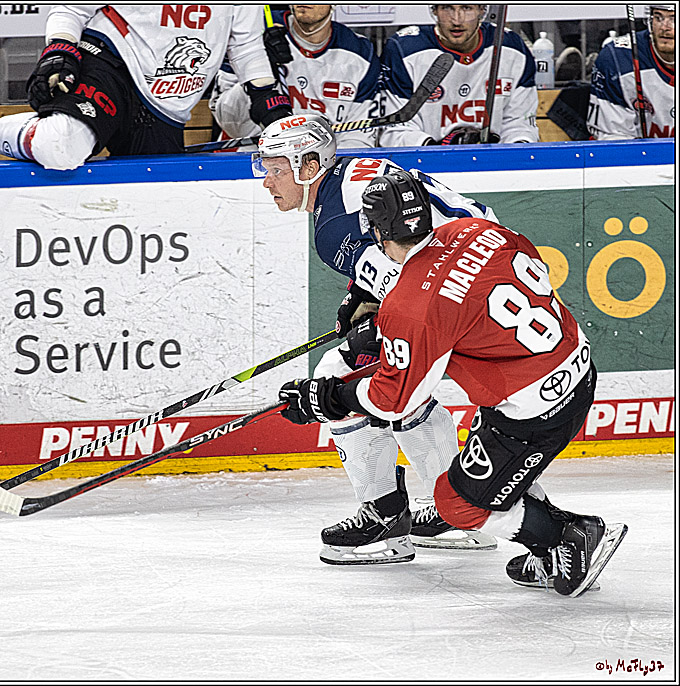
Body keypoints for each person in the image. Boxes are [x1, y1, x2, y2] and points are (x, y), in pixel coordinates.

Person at [278, 170, 628, 595]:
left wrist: (329, 397)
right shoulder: (479, 230)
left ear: (375, 232)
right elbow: (472, 299)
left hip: (532, 412)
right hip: (576, 368)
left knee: (456, 504)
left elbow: (393, 399)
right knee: (495, 475)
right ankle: (547, 547)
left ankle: (568, 536)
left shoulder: (410, 304)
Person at [255, 113, 498, 564]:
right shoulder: (352, 175)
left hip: (461, 297)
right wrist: (360, 298)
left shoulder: (334, 226)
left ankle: (388, 522)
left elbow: (410, 295)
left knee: (338, 381)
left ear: (309, 167)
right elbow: (405, 255)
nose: (266, 181)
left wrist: (378, 322)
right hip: (488, 275)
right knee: (394, 389)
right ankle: (464, 514)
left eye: (275, 169)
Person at [0, 5, 292, 169]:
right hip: (111, 62)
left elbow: (244, 45)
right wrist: (60, 50)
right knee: (60, 145)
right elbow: (69, 9)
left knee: (155, 207)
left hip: (166, 105)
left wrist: (266, 97)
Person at [210, 5, 381, 149]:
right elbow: (231, 125)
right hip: (251, 161)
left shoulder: (361, 53)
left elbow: (357, 138)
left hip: (322, 169)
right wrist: (258, 73)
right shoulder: (251, 33)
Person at [379, 4, 538, 146]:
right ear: (434, 10)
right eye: (447, 8)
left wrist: (509, 154)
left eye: (466, 8)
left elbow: (520, 125)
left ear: (482, 10)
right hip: (427, 165)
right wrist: (437, 151)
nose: (456, 20)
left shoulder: (511, 48)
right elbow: (396, 129)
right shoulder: (406, 50)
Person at [588, 4, 675, 139]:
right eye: (658, 18)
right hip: (640, 158)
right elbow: (614, 140)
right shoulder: (618, 58)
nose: (664, 27)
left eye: (674, 19)